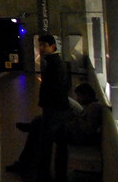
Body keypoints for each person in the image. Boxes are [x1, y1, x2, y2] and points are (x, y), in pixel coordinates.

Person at [6, 34, 71, 179]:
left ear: (52, 45)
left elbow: (55, 87)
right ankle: (53, 174)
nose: (41, 48)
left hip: (53, 109)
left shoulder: (53, 64)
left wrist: (47, 103)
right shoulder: (58, 63)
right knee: (52, 142)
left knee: (45, 143)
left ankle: (42, 174)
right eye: (40, 45)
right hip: (58, 109)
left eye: (43, 45)